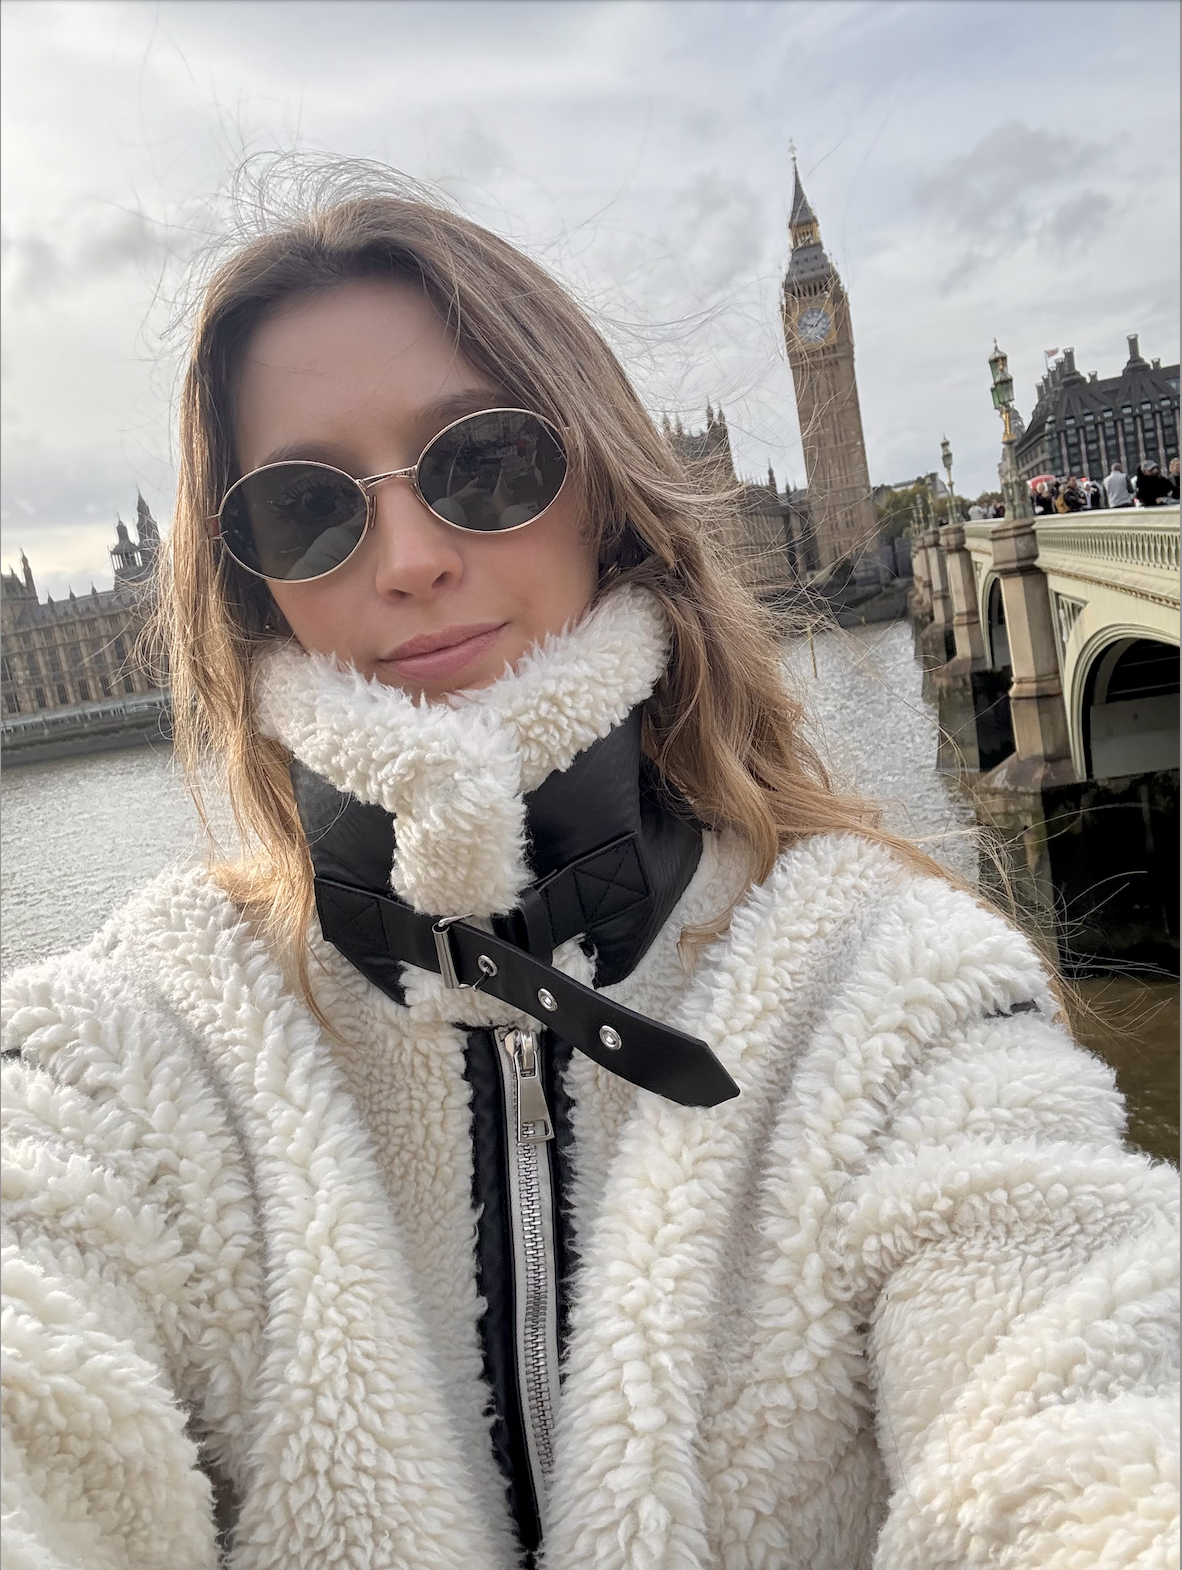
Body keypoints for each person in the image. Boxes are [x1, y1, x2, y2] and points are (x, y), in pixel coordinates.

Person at [3, 171, 1177, 1570]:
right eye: (307, 508)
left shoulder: (897, 995)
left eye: (486, 465)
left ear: (610, 497)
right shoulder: (131, 1049)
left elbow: (1080, 1377)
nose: (412, 557)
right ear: (249, 582)